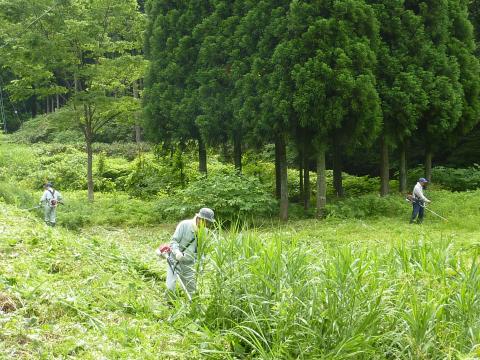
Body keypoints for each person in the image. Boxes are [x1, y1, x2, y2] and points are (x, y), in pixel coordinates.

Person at [165, 207, 215, 299]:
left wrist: (200, 265)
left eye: (208, 222)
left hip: (189, 264)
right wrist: (177, 252)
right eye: (205, 221)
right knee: (170, 288)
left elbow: (201, 251)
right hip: (175, 260)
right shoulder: (184, 225)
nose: (206, 224)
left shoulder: (205, 232)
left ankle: (192, 309)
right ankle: (167, 307)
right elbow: (173, 242)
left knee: (192, 292)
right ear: (199, 218)